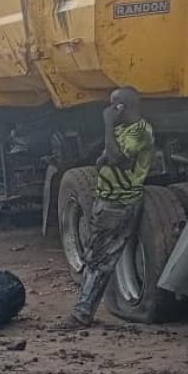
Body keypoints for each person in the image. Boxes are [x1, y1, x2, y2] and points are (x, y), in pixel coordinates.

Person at [61, 87, 154, 329]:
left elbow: (113, 158)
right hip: (111, 199)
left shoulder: (140, 132)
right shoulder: (123, 131)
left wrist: (106, 125)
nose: (110, 110)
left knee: (98, 258)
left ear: (121, 107)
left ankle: (82, 314)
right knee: (100, 255)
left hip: (120, 201)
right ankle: (83, 311)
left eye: (113, 105)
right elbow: (102, 160)